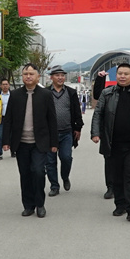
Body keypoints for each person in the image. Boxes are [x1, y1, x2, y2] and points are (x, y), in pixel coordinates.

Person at [91, 63, 130, 221]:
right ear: (116, 75)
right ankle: (120, 205)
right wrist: (95, 133)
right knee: (117, 177)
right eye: (120, 73)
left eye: (126, 74)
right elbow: (98, 114)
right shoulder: (107, 93)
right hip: (113, 143)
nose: (122, 76)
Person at [2, 63, 59, 218]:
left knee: (38, 172)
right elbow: (8, 120)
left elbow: (52, 120)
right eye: (25, 74)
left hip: (39, 143)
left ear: (38, 77)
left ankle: (40, 204)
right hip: (21, 143)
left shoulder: (45, 95)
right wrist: (6, 141)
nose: (28, 76)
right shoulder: (15, 95)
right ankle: (28, 205)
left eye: (31, 74)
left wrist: (54, 143)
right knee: (25, 174)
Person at [46, 66, 84, 197]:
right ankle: (54, 186)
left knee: (66, 157)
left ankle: (65, 176)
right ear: (51, 77)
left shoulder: (71, 92)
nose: (60, 78)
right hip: (50, 134)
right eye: (57, 75)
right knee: (50, 161)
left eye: (62, 75)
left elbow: (77, 111)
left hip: (67, 132)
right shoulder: (45, 93)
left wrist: (78, 128)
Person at [92, 70, 114, 199]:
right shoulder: (106, 94)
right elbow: (97, 95)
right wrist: (100, 79)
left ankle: (123, 187)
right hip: (108, 134)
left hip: (127, 135)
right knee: (109, 161)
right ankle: (110, 187)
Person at [0, 79, 11, 160]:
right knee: (0, 136)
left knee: (11, 135)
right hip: (1, 118)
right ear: (0, 86)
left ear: (9, 85)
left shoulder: (12, 95)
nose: (5, 86)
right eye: (3, 84)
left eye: (6, 84)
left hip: (10, 118)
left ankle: (13, 151)